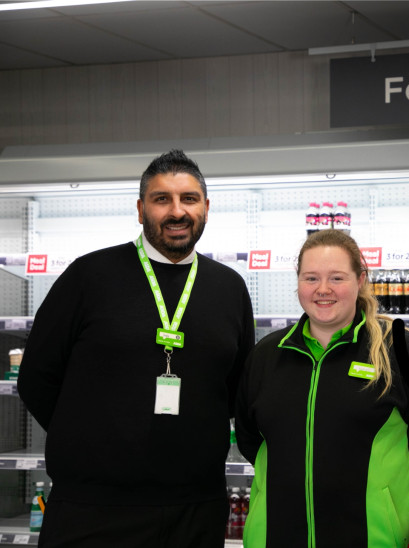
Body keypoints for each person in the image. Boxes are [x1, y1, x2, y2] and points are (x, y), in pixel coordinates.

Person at [17, 149, 255, 548]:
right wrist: (91, 443)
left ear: (207, 208)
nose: (177, 212)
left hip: (195, 510)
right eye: (162, 199)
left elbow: (235, 388)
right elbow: (37, 377)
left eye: (189, 199)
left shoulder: (229, 288)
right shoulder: (89, 276)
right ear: (141, 208)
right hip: (91, 510)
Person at [235, 229, 409, 548]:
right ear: (298, 282)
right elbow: (252, 441)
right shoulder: (266, 355)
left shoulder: (400, 351)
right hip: (275, 536)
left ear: (360, 281)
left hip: (372, 537)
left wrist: (381, 490)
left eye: (337, 278)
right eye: (311, 278)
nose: (323, 289)